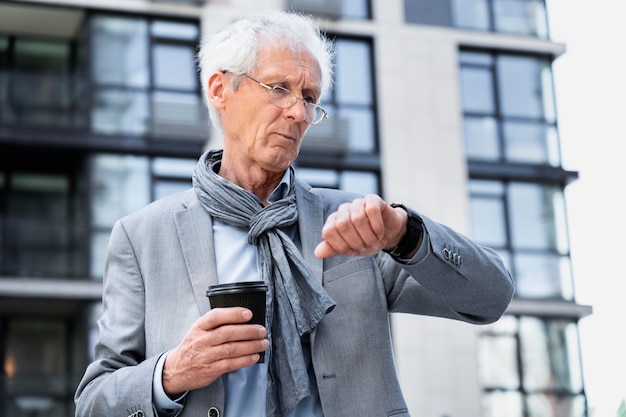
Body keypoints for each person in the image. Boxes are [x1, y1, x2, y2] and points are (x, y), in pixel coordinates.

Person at [74, 10, 514, 417]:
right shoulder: (142, 236)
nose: (298, 112)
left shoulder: (357, 224)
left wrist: (405, 232)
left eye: (309, 96)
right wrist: (170, 375)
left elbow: (490, 298)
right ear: (220, 88)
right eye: (279, 88)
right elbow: (93, 401)